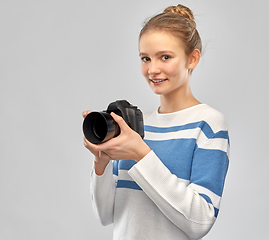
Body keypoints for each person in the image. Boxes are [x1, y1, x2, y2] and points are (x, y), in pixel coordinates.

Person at [83, 4, 229, 240]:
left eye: (165, 57)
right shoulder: (133, 128)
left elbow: (200, 221)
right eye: (145, 58)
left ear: (192, 59)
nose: (153, 69)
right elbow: (105, 215)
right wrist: (101, 164)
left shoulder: (209, 123)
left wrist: (141, 154)